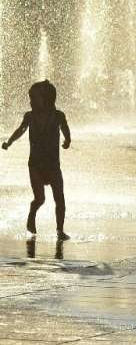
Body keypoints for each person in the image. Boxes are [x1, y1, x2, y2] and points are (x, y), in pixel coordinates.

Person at [2, 80, 72, 240]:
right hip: (35, 165)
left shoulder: (58, 116)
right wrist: (9, 142)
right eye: (31, 98)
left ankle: (60, 230)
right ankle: (32, 214)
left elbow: (65, 129)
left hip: (53, 165)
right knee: (40, 198)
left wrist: (68, 140)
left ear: (47, 99)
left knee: (59, 199)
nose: (31, 101)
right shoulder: (29, 116)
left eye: (34, 98)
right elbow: (20, 130)